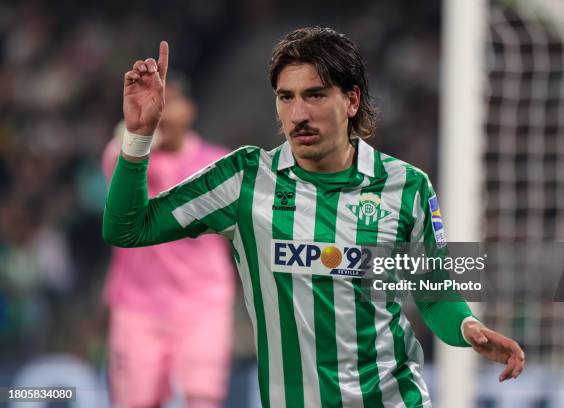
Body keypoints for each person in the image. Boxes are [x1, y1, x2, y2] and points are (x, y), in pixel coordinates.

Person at [104, 27, 525, 408]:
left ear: (352, 100)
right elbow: (126, 227)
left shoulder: (406, 186)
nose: (298, 113)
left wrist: (467, 325)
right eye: (286, 97)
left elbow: (432, 291)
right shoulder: (244, 180)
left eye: (315, 94)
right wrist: (139, 136)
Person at [102, 78, 236, 408]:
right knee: (134, 401)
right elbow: (113, 162)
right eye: (155, 101)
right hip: (138, 306)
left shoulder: (218, 163)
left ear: (190, 110)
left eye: (170, 101)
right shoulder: (131, 162)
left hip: (202, 303)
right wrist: (140, 134)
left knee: (201, 398)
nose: (161, 109)